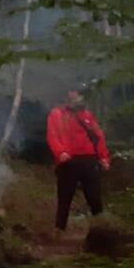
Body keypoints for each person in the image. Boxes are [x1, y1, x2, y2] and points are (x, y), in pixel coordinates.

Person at [46, 87, 111, 232]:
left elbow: (98, 137)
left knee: (94, 197)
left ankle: (101, 230)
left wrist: (104, 157)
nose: (75, 98)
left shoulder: (87, 115)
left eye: (77, 95)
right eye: (72, 94)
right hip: (68, 161)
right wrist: (60, 152)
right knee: (65, 198)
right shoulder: (57, 115)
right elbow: (52, 135)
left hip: (89, 160)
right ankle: (59, 231)